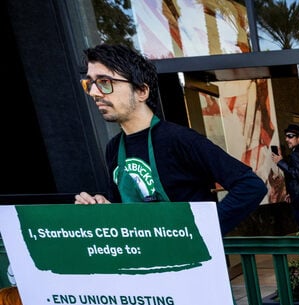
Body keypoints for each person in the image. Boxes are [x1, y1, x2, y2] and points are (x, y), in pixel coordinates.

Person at [73, 44, 266, 235]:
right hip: (145, 259)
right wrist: (106, 207)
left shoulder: (179, 139)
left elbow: (250, 186)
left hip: (194, 261)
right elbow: (123, 208)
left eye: (105, 82)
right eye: (89, 84)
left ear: (141, 91)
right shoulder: (114, 148)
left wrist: (206, 231)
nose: (94, 93)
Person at [272, 123, 299, 231]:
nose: (287, 139)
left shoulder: (296, 154)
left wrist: (281, 162)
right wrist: (291, 193)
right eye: (286, 136)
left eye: (290, 136)